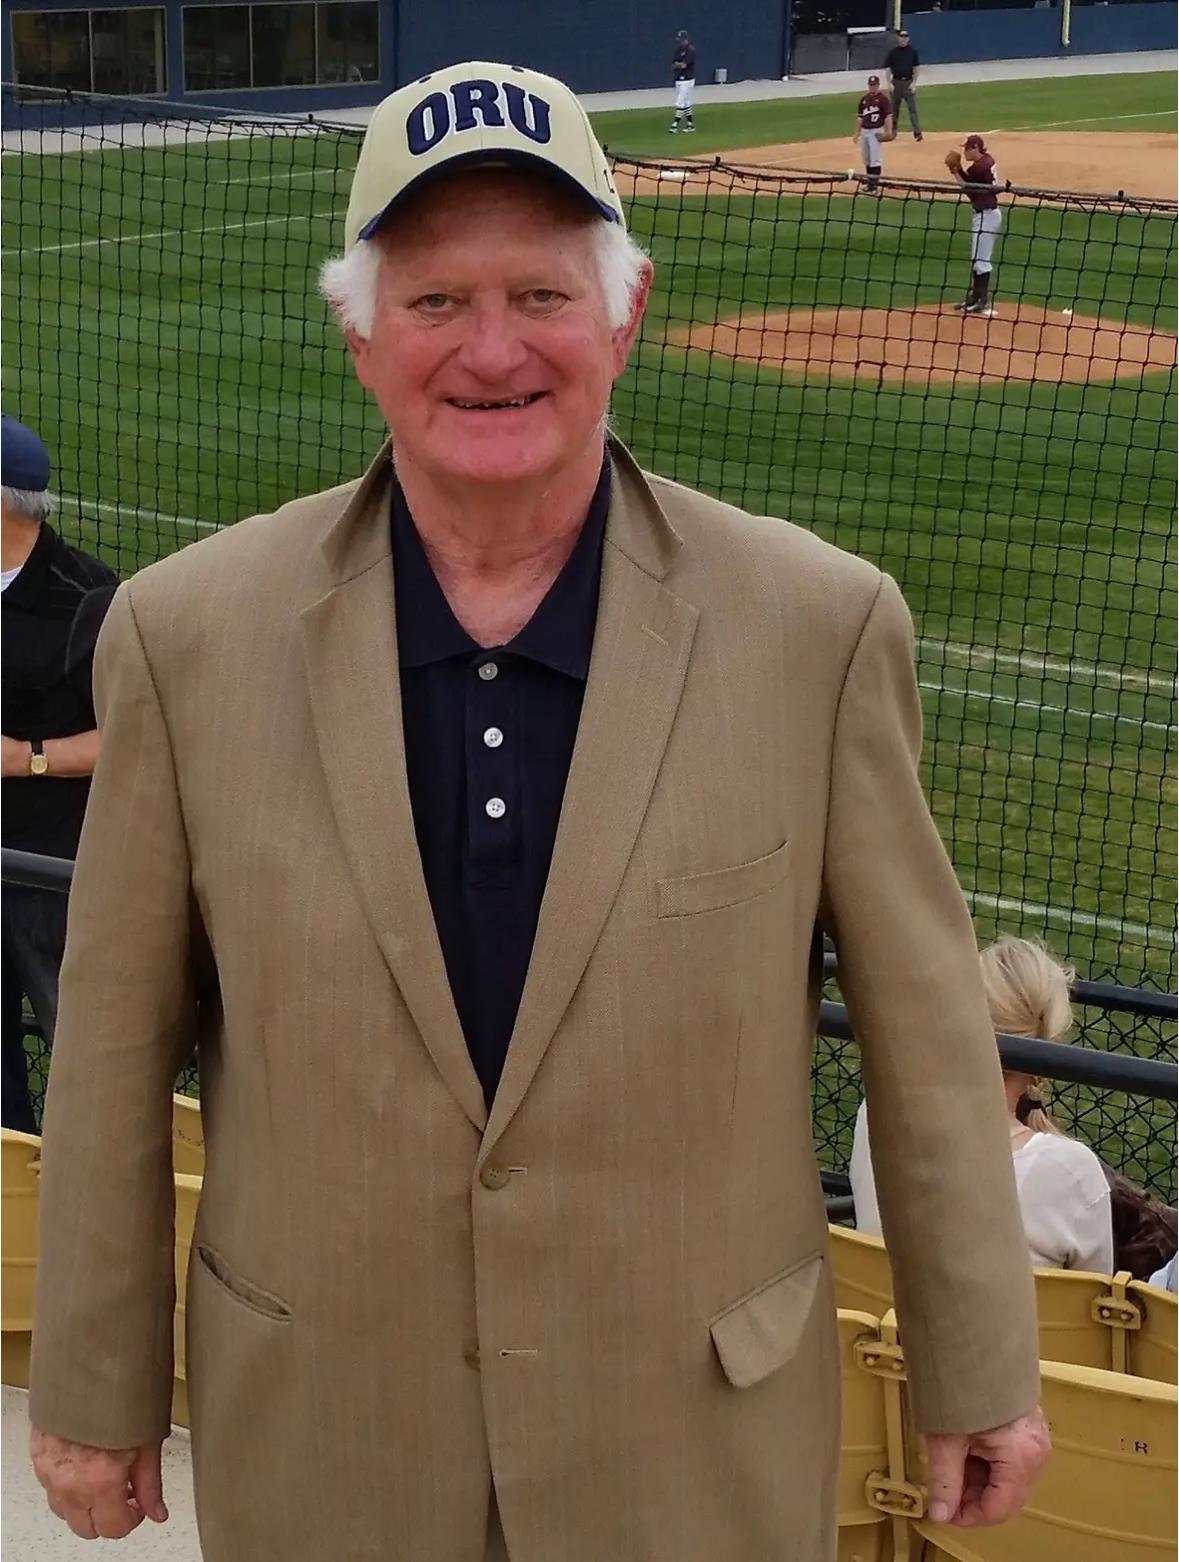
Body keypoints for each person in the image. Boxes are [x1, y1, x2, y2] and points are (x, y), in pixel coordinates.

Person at [29, 60, 1049, 1561]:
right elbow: (110, 1052)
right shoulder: (189, 638)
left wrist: (977, 1363)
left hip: (688, 1450)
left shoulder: (813, 625)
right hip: (328, 1436)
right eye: (434, 300)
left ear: (622, 317)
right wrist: (92, 1385)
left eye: (540, 295)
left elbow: (927, 1039)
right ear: (358, 335)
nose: (489, 349)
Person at [851, 937, 1115, 1275]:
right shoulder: (1071, 1172)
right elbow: (1090, 1313)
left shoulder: (875, 1114)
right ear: (1046, 1053)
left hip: (873, 1327)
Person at [1, 414, 116, 1134]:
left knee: (81, 1051)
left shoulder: (88, 602)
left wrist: (27, 757)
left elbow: (135, 738)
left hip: (52, 872)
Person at [947, 133, 1002, 316]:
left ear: (975, 148)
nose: (964, 152)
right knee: (977, 258)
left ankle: (982, 300)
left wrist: (956, 171)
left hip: (987, 214)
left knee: (982, 260)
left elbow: (968, 190)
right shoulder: (986, 160)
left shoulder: (979, 168)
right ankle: (975, 297)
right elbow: (971, 184)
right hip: (984, 213)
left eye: (967, 148)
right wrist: (960, 170)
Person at [853, 74, 893, 195]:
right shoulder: (864, 99)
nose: (872, 87)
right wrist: (856, 133)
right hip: (865, 131)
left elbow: (888, 117)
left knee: (875, 159)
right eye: (871, 85)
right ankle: (870, 183)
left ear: (878, 85)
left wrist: (888, 132)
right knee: (867, 159)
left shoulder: (883, 100)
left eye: (874, 85)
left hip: (876, 131)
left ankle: (874, 186)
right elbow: (860, 118)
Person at [884, 28, 922, 141]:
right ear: (898, 38)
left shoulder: (913, 52)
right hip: (896, 82)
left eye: (905, 37)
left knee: (913, 109)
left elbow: (916, 68)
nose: (903, 39)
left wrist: (914, 83)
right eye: (901, 37)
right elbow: (888, 68)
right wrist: (888, 83)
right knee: (894, 109)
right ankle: (893, 131)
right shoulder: (893, 52)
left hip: (908, 82)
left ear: (908, 39)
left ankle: (917, 132)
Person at [670, 30, 696, 132]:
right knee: (686, 102)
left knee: (680, 102)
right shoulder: (678, 49)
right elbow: (673, 64)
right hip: (679, 78)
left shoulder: (690, 50)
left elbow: (685, 65)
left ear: (685, 39)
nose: (679, 41)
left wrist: (678, 64)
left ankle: (675, 124)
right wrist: (678, 65)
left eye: (681, 39)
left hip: (687, 79)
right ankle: (690, 125)